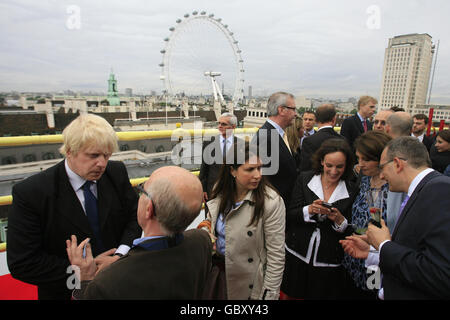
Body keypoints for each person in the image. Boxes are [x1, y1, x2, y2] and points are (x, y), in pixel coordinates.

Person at [7, 114, 141, 300]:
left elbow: (135, 217)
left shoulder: (116, 172)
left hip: (119, 284)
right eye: (93, 155)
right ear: (69, 151)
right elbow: (22, 262)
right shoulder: (31, 192)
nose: (102, 163)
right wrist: (81, 272)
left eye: (107, 155)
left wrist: (119, 256)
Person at [66, 166, 212, 299]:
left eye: (142, 190)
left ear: (149, 209)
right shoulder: (201, 241)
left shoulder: (105, 283)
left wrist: (85, 281)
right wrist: (121, 261)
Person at [364, 137, 450, 299]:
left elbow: (440, 274)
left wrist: (384, 245)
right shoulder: (424, 190)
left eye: (382, 168)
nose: (381, 176)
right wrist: (376, 249)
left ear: (397, 163)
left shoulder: (441, 190)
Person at [198, 142, 285, 300]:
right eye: (250, 169)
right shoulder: (220, 190)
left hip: (249, 285)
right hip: (217, 275)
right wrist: (206, 231)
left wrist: (268, 295)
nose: (258, 175)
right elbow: (211, 221)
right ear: (232, 171)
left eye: (259, 168)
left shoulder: (271, 202)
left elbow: (276, 255)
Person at [281, 138, 357, 299]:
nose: (334, 171)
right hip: (297, 255)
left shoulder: (352, 189)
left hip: (328, 263)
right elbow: (290, 214)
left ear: (347, 165)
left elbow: (351, 229)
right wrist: (309, 210)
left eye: (339, 166)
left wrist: (339, 220)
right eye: (329, 165)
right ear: (321, 161)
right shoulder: (305, 178)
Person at [341, 130, 392, 299]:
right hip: (355, 257)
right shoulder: (364, 181)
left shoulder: (394, 189)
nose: (360, 164)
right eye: (358, 158)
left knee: (371, 293)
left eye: (367, 159)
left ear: (382, 159)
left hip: (376, 261)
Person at [251, 92, 297, 208]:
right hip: (273, 208)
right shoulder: (266, 137)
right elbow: (263, 179)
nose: (296, 114)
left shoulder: (277, 134)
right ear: (281, 110)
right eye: (293, 109)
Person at [199, 113, 242, 203]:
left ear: (233, 127)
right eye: (219, 123)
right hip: (212, 192)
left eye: (224, 124)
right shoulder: (209, 143)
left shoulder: (242, 145)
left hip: (234, 192)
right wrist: (203, 189)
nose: (220, 126)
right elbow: (204, 169)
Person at [300, 104, 345, 172]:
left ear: (316, 120)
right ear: (334, 119)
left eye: (310, 119)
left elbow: (306, 168)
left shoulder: (309, 141)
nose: (307, 122)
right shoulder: (343, 140)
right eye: (305, 119)